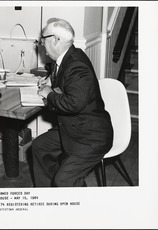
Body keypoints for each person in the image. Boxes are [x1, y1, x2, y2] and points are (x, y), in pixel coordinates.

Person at [32, 18, 114, 187]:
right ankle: (52, 194)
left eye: (43, 39)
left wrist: (48, 94)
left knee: (63, 180)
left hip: (91, 136)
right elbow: (66, 80)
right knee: (39, 146)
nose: (42, 43)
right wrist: (50, 81)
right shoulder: (68, 57)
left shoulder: (77, 65)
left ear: (55, 40)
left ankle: (69, 190)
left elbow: (73, 104)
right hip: (74, 127)